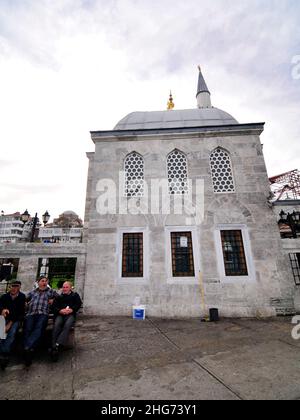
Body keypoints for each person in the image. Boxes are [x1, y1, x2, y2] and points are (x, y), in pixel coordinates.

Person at [23, 276, 59, 366]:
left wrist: (53, 299)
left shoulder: (50, 291)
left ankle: (27, 347)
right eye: (42, 281)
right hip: (31, 313)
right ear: (38, 282)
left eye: (46, 281)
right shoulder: (32, 292)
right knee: (27, 330)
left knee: (39, 329)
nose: (44, 282)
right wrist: (25, 303)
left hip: (43, 313)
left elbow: (60, 297)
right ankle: (29, 351)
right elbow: (24, 300)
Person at [50, 281, 82, 362]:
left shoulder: (75, 295)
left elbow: (78, 304)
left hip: (70, 314)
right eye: (63, 287)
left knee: (67, 325)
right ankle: (54, 347)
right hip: (60, 314)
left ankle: (57, 345)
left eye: (66, 287)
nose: (64, 289)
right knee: (56, 325)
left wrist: (72, 309)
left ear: (70, 288)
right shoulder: (59, 296)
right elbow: (54, 307)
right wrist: (60, 311)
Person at [0, 280, 25, 370]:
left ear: (19, 287)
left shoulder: (22, 297)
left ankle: (5, 354)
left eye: (16, 286)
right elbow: (0, 305)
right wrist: (2, 309)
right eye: (12, 286)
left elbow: (20, 313)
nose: (14, 288)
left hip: (15, 320)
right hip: (3, 318)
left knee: (12, 333)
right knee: (1, 334)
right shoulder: (5, 296)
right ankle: (3, 353)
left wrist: (9, 324)